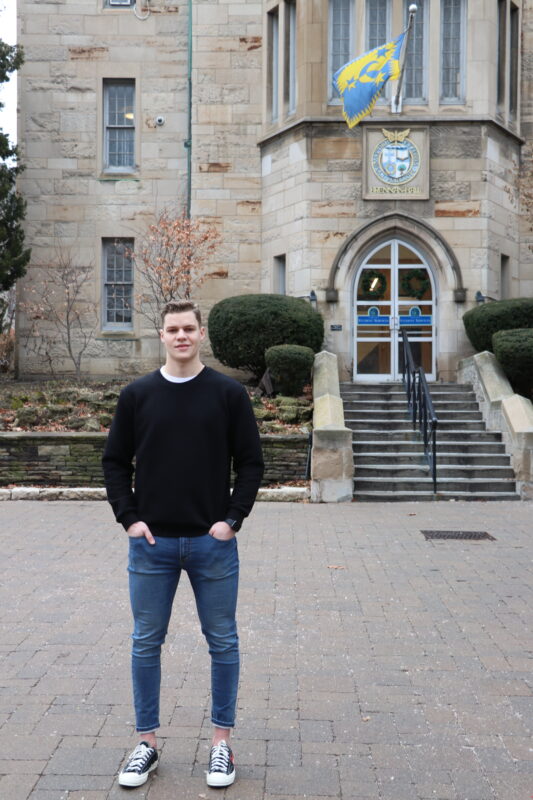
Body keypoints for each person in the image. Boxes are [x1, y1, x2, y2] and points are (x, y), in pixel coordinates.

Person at [102, 299, 264, 789]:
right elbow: (114, 462)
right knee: (145, 644)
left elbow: (252, 463)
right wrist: (129, 519)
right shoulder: (137, 395)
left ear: (200, 335)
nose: (181, 336)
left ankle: (221, 745)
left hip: (211, 543)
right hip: (151, 545)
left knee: (223, 642)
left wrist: (232, 520)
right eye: (172, 329)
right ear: (162, 335)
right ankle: (146, 744)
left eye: (189, 329)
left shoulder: (228, 394)